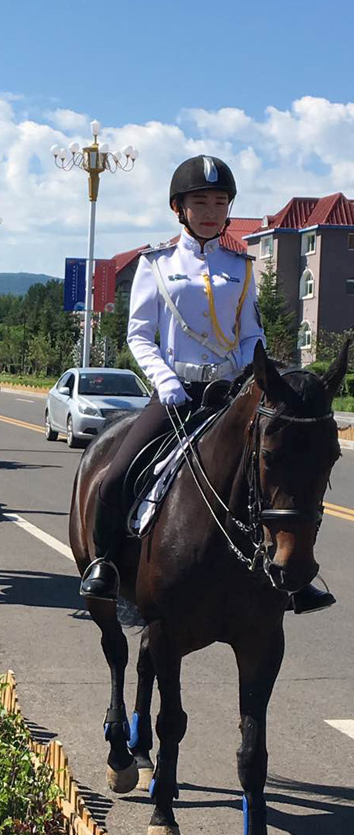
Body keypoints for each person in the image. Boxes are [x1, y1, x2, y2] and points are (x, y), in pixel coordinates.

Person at [79, 154, 334, 615]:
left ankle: (294, 579)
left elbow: (251, 334)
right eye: (201, 202)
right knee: (116, 477)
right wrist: (165, 380)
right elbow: (138, 335)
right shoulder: (155, 265)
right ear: (179, 208)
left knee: (282, 473)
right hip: (175, 394)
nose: (212, 211)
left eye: (220, 202)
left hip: (231, 394)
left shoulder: (241, 268)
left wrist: (249, 373)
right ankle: (104, 565)